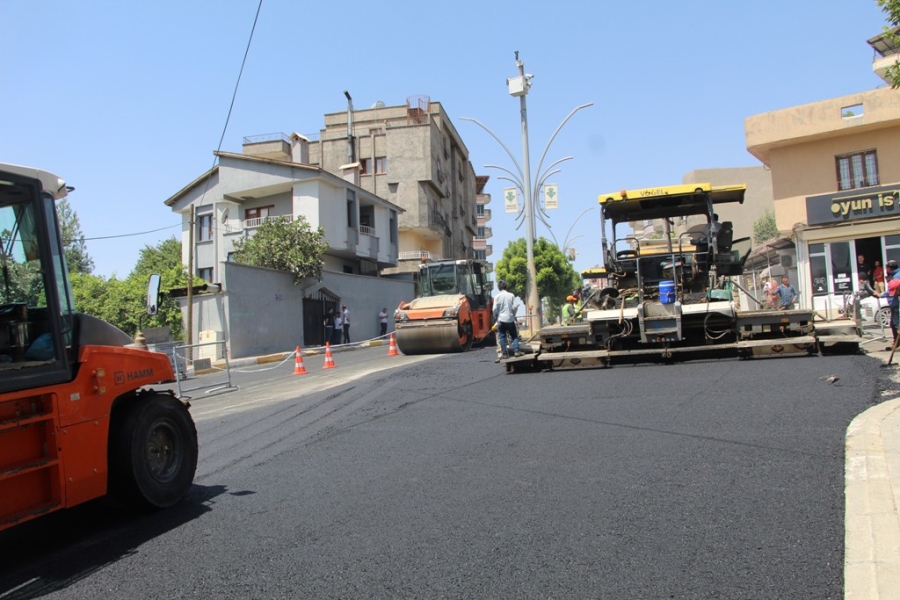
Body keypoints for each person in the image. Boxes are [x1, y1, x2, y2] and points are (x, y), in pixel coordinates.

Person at [493, 280, 522, 361]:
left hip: (501, 320)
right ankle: (516, 351)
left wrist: (496, 316)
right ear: (506, 287)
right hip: (510, 319)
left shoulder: (497, 297)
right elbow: (515, 306)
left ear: (499, 288)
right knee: (514, 335)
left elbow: (494, 309)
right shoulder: (511, 295)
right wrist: (513, 314)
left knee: (502, 337)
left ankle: (505, 354)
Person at [881, 259, 900, 348]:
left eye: (887, 268)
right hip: (895, 303)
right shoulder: (894, 275)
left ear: (890, 268)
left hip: (896, 303)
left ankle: (897, 343)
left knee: (896, 324)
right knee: (893, 323)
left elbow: (892, 291)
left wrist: (881, 295)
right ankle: (896, 342)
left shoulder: (896, 277)